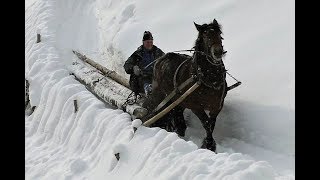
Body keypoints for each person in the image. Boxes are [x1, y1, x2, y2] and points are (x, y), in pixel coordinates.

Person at [124, 31, 165, 96]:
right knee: (146, 81)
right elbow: (127, 65)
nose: (149, 44)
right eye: (147, 42)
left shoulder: (158, 52)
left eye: (151, 42)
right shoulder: (138, 54)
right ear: (143, 42)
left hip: (156, 77)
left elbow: (165, 60)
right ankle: (148, 91)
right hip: (141, 79)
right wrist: (134, 68)